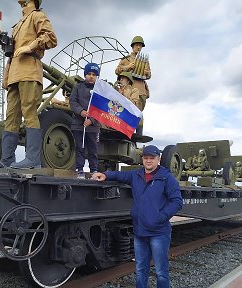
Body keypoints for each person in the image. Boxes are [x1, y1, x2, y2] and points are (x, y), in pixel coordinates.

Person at [92, 145, 183, 288]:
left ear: (158, 159)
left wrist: (160, 217)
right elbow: (121, 176)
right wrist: (105, 175)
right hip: (140, 233)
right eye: (146, 158)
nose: (148, 161)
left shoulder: (167, 178)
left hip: (159, 233)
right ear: (142, 159)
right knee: (140, 270)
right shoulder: (136, 175)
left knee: (161, 271)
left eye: (152, 158)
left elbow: (177, 201)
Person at [0, 0, 57, 169]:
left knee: (29, 113)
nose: (22, 5)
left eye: (25, 3)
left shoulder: (37, 16)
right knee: (11, 118)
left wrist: (29, 47)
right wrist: (5, 43)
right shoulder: (17, 26)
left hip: (30, 71)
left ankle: (32, 159)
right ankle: (7, 159)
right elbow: (12, 53)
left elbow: (51, 38)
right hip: (14, 75)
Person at [69, 63, 100, 179]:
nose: (91, 76)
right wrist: (81, 111)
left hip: (93, 126)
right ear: (85, 75)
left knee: (93, 150)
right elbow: (73, 102)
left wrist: (92, 120)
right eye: (89, 74)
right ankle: (80, 170)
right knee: (79, 148)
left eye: (94, 74)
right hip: (78, 124)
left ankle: (93, 171)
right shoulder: (78, 87)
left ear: (97, 76)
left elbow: (103, 108)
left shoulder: (100, 90)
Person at [115, 36, 151, 111]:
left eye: (140, 45)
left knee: (138, 114)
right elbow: (117, 71)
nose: (138, 47)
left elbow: (149, 75)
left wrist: (147, 73)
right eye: (137, 45)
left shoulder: (144, 60)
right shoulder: (126, 59)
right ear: (133, 46)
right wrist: (127, 67)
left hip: (141, 91)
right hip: (127, 90)